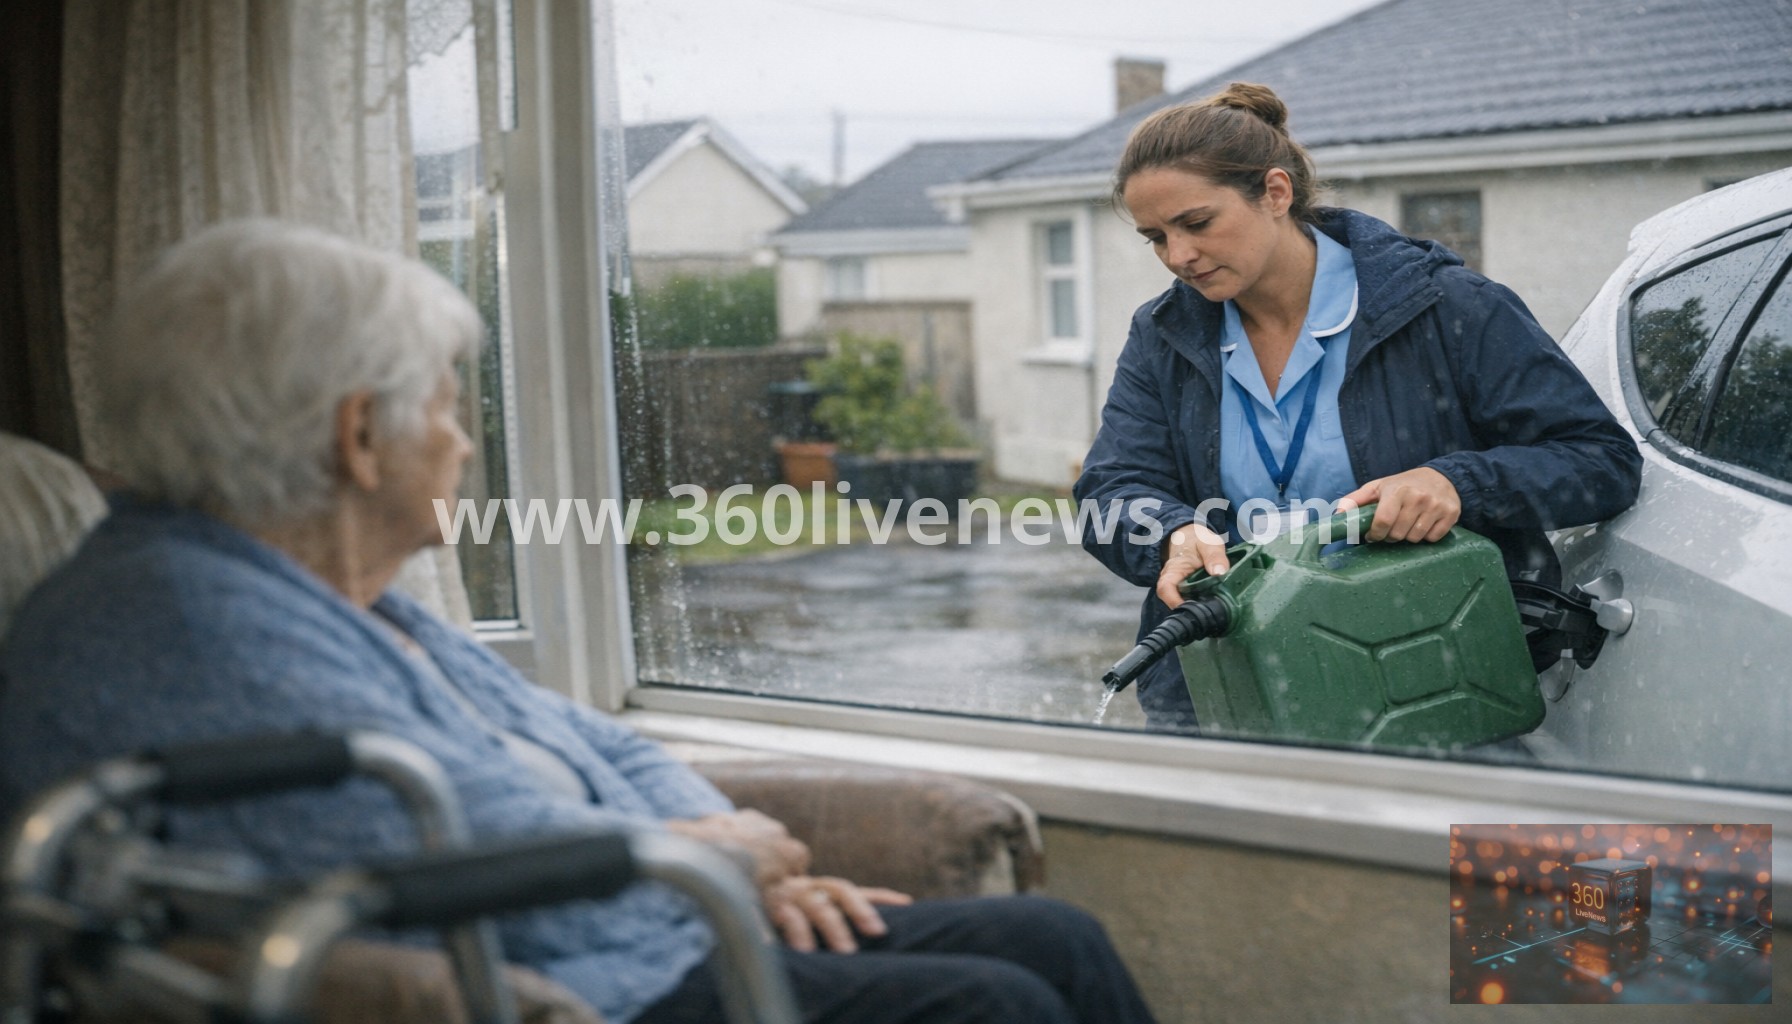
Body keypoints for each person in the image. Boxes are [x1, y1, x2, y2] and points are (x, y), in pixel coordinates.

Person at [0, 220, 1156, 1024]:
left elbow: (588, 744)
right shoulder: (188, 624)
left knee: (1054, 941)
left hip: (649, 932)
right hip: (593, 989)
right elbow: (460, 837)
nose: (462, 442)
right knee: (988, 1005)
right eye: (449, 409)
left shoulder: (315, 585)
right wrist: (721, 856)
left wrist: (733, 853)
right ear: (360, 437)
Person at [1073, 83, 1642, 732]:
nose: (1178, 257)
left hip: (1426, 680)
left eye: (1197, 223)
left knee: (1429, 840)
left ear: (1276, 193)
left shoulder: (1447, 307)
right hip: (1222, 695)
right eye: (1155, 237)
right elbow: (1110, 490)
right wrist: (1171, 534)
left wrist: (1455, 483)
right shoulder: (1163, 335)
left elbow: (1600, 461)